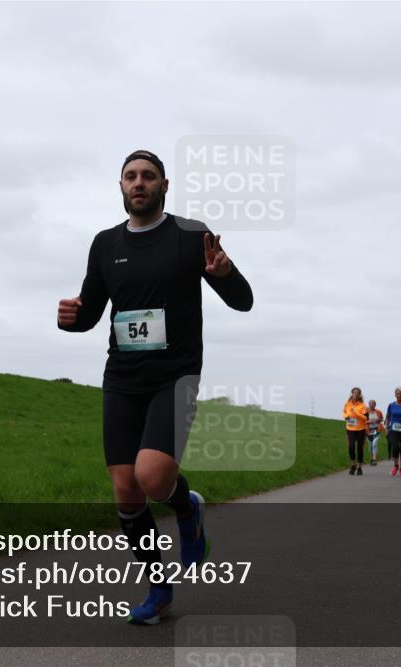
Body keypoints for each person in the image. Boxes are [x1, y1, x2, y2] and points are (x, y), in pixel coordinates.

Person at [57, 150, 253, 625]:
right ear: (121, 187)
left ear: (165, 185)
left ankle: (187, 506)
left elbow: (243, 301)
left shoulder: (190, 236)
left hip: (175, 375)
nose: (138, 182)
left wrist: (224, 274)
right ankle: (158, 588)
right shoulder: (105, 244)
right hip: (122, 378)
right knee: (126, 491)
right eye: (130, 176)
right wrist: (69, 318)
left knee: (153, 477)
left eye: (148, 176)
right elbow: (90, 313)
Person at [342, 388, 369, 475]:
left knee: (360, 448)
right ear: (352, 394)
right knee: (351, 446)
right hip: (350, 428)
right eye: (354, 392)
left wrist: (355, 413)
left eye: (357, 393)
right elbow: (343, 412)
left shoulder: (363, 406)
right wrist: (345, 416)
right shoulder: (347, 404)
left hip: (360, 429)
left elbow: (365, 418)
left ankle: (360, 467)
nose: (356, 394)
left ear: (360, 395)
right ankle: (353, 465)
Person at [365, 399, 385, 466]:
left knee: (374, 444)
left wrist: (377, 420)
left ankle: (374, 459)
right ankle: (372, 458)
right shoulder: (365, 412)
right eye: (370, 404)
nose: (372, 405)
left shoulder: (378, 412)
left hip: (377, 430)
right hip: (368, 430)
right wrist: (369, 421)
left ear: (375, 405)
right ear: (369, 404)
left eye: (373, 404)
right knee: (370, 445)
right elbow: (362, 420)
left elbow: (382, 419)